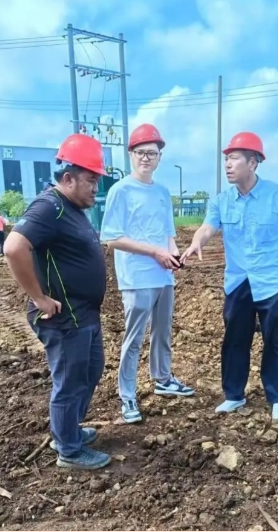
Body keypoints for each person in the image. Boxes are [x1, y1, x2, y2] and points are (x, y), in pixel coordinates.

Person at [3, 133, 111, 470]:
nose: (96, 187)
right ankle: (69, 450)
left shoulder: (72, 208)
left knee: (90, 371)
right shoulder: (49, 207)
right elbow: (13, 248)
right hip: (64, 318)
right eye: (91, 179)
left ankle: (68, 430)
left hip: (84, 315)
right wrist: (38, 297)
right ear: (68, 178)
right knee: (71, 380)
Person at [181, 131, 278, 423]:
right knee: (235, 339)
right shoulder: (221, 201)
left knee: (274, 339)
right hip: (238, 281)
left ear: (253, 162)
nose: (227, 164)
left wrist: (274, 259)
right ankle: (234, 395)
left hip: (271, 281)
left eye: (234, 158)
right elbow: (208, 227)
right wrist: (197, 241)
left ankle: (277, 398)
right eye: (226, 159)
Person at [100, 123, 194, 424]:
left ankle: (163, 379)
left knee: (162, 332)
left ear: (159, 158)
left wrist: (173, 254)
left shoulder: (163, 193)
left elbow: (168, 233)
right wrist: (154, 252)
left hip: (163, 275)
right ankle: (127, 394)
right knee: (134, 338)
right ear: (131, 155)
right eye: (140, 152)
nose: (145, 157)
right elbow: (111, 238)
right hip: (136, 276)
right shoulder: (120, 190)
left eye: (151, 153)